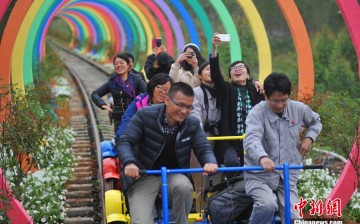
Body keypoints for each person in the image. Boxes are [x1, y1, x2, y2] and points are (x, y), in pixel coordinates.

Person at [117, 82, 218, 224]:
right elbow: (125, 141)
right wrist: (129, 162)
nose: (184, 111)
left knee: (184, 187)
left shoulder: (192, 123)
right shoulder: (145, 115)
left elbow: (203, 148)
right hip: (144, 174)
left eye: (189, 107)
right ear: (167, 100)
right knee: (141, 221)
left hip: (174, 173)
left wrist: (210, 162)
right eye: (180, 105)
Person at [243, 72, 322, 224]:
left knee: (294, 218)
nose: (279, 105)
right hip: (259, 175)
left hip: (287, 175)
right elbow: (251, 139)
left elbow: (316, 121)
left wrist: (309, 138)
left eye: (284, 100)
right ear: (266, 95)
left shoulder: (298, 108)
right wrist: (262, 157)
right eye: (275, 101)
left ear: (289, 95)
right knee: (267, 205)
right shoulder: (256, 113)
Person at [210, 33, 264, 169]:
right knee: (231, 164)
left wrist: (256, 82)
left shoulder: (256, 89)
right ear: (230, 76)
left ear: (248, 74)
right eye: (233, 69)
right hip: (230, 141)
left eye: (241, 67)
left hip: (254, 139)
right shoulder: (227, 89)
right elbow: (216, 76)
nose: (237, 70)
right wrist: (214, 49)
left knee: (255, 165)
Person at [190, 61, 221, 212]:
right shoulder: (196, 92)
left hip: (221, 140)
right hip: (202, 139)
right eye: (207, 69)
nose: (211, 71)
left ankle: (217, 214)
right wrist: (199, 136)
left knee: (218, 183)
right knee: (201, 184)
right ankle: (201, 215)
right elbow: (195, 114)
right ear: (199, 75)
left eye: (213, 69)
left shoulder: (222, 90)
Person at [91, 53, 147, 134]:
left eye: (121, 63)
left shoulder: (136, 79)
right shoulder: (112, 81)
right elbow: (95, 94)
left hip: (135, 117)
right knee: (120, 141)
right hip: (119, 118)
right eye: (116, 63)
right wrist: (103, 105)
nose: (118, 65)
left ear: (128, 65)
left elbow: (147, 92)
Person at [115, 73, 173, 142]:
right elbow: (127, 119)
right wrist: (120, 140)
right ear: (152, 86)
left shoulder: (170, 107)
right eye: (160, 88)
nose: (163, 92)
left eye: (167, 90)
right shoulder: (140, 100)